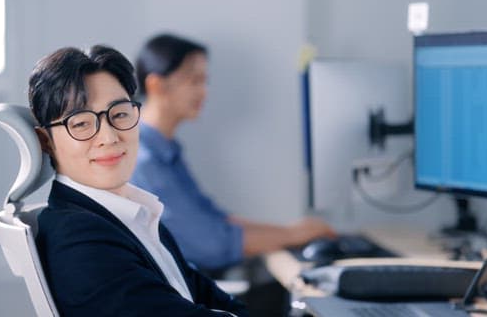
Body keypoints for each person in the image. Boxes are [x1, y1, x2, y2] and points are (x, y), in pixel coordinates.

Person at [30, 46, 248, 316]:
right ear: (45, 142)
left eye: (120, 114)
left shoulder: (136, 214)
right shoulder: (79, 241)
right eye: (81, 123)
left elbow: (215, 299)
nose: (109, 137)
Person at [131, 34, 336, 272]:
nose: (204, 92)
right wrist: (292, 234)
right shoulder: (144, 160)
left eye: (204, 81)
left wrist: (291, 231)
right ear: (156, 85)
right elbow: (212, 244)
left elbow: (214, 219)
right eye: (194, 80)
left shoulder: (165, 149)